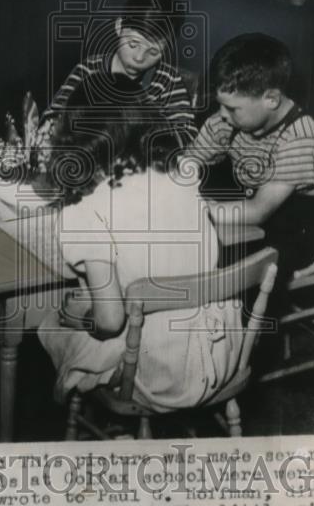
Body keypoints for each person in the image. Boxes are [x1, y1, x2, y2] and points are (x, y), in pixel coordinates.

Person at [37, 83, 223, 408]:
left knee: (50, 321)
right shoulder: (183, 176)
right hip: (219, 354)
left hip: (156, 375)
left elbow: (110, 322)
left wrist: (82, 315)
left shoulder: (86, 210)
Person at [185, 33, 314, 274]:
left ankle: (224, 308)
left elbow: (258, 211)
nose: (222, 114)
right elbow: (188, 162)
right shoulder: (228, 120)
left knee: (213, 263)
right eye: (220, 104)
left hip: (297, 234)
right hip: (254, 209)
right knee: (193, 246)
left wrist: (198, 209)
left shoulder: (300, 137)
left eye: (232, 108)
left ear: (271, 99)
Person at [41, 0, 197, 146]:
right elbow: (53, 116)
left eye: (154, 51)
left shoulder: (167, 79)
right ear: (119, 26)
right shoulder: (89, 69)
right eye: (133, 44)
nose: (139, 57)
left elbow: (187, 133)